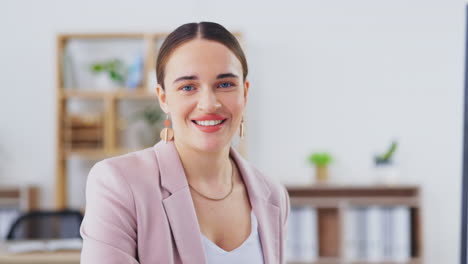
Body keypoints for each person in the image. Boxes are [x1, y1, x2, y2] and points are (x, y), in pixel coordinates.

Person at [80, 21, 290, 264]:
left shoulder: (273, 196)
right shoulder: (118, 184)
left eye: (225, 84)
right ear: (163, 98)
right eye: (188, 87)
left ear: (244, 92)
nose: (209, 104)